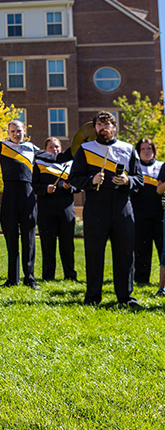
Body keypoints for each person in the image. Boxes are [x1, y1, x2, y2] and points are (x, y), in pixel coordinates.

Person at [0, 120, 69, 290]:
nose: (16, 134)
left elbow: (57, 157)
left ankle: (30, 278)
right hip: (9, 195)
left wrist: (77, 150)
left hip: (27, 195)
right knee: (11, 237)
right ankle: (12, 278)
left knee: (29, 238)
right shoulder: (2, 146)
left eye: (19, 131)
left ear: (24, 131)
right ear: (8, 132)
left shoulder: (31, 148)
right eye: (13, 131)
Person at [69, 111, 143, 307]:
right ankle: (93, 297)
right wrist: (91, 181)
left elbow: (140, 179)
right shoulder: (85, 149)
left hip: (122, 208)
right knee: (94, 254)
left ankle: (126, 298)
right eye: (99, 125)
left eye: (107, 124)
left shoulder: (127, 149)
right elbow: (74, 178)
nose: (103, 128)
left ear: (114, 127)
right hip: (95, 208)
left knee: (125, 254)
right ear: (95, 128)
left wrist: (128, 180)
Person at [31, 137, 78, 281]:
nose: (55, 149)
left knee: (67, 244)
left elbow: (79, 184)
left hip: (66, 208)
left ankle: (70, 275)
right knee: (48, 243)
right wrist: (45, 189)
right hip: (46, 209)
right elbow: (33, 185)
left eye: (57, 147)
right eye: (51, 147)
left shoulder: (70, 164)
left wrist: (70, 187)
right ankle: (48, 276)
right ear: (45, 150)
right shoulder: (39, 164)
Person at [130, 139, 165, 284]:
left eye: (149, 148)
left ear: (154, 151)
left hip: (160, 214)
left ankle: (162, 281)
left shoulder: (161, 166)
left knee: (162, 246)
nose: (146, 151)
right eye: (143, 149)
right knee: (142, 249)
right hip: (140, 214)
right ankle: (142, 279)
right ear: (138, 151)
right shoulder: (134, 167)